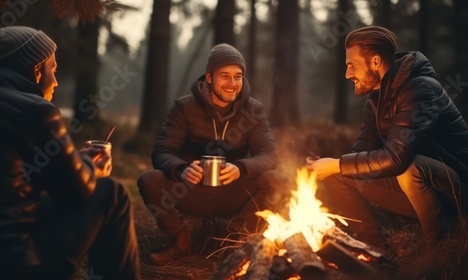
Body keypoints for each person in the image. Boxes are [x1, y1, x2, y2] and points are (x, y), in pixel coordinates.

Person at [0, 26, 140, 280]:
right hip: (9, 265)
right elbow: (74, 191)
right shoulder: (36, 110)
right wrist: (93, 168)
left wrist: (73, 162)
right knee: (111, 194)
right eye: (54, 70)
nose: (56, 82)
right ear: (37, 71)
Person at [307, 26, 468, 250]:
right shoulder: (376, 99)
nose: (347, 74)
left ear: (375, 62)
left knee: (411, 168)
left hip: (456, 190)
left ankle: (438, 247)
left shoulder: (421, 89)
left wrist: (338, 164)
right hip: (418, 191)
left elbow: (397, 158)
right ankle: (373, 247)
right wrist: (329, 165)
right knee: (340, 174)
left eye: (351, 66)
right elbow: (360, 152)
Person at [137, 43, 290, 265]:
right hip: (192, 189)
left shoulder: (253, 110)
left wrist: (241, 169)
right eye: (224, 76)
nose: (232, 83)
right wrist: (181, 169)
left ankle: (235, 241)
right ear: (209, 77)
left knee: (277, 180)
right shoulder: (184, 108)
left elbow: (268, 154)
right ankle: (181, 240)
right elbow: (162, 151)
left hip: (234, 191)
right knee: (149, 180)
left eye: (238, 77)